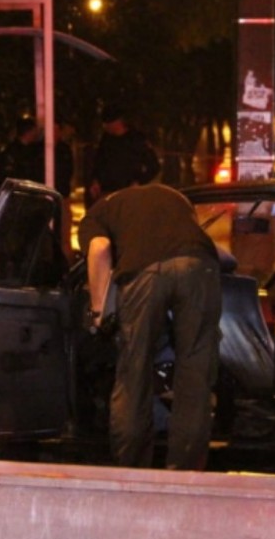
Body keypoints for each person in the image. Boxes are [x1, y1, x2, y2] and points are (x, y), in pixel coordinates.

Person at [78, 183, 222, 470]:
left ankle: (132, 469)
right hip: (199, 265)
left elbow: (100, 248)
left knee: (134, 371)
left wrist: (98, 312)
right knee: (195, 373)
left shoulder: (97, 213)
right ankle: (185, 470)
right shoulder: (175, 195)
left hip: (144, 272)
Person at [86, 104, 161, 207]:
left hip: (128, 193)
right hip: (107, 193)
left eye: (109, 123)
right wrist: (96, 180)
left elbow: (154, 166)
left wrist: (139, 182)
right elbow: (99, 162)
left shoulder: (136, 139)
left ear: (118, 121)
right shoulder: (107, 139)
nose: (105, 126)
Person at [0, 116, 44, 188]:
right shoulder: (12, 153)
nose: (36, 133)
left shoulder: (33, 150)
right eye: (35, 130)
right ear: (29, 132)